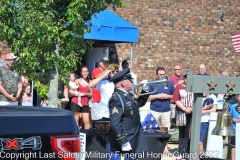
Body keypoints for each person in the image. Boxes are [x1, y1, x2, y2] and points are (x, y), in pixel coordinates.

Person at [108, 68, 150, 160]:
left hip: (133, 139)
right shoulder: (117, 98)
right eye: (130, 80)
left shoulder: (126, 95)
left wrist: (145, 91)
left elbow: (138, 104)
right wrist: (124, 142)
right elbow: (115, 123)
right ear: (123, 83)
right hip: (126, 142)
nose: (132, 82)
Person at [148, 66, 175, 155]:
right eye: (160, 75)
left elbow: (174, 96)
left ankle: (165, 149)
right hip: (154, 109)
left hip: (166, 110)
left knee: (165, 130)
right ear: (156, 75)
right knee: (153, 129)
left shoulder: (169, 84)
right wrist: (158, 96)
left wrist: (167, 96)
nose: (162, 76)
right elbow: (147, 97)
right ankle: (154, 148)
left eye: (163, 74)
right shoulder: (152, 84)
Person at [172, 69, 194, 160]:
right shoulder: (179, 87)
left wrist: (191, 109)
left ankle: (188, 152)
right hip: (181, 112)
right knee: (182, 133)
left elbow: (199, 98)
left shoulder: (195, 87)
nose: (187, 79)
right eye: (185, 77)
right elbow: (176, 99)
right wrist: (185, 109)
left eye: (189, 77)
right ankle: (181, 152)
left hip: (192, 112)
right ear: (183, 78)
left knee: (189, 133)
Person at [228, 94, 240, 160]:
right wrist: (234, 120)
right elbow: (229, 117)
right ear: (236, 97)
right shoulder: (233, 106)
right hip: (235, 129)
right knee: (233, 145)